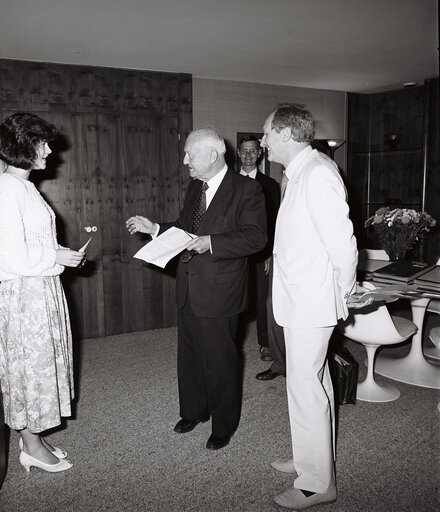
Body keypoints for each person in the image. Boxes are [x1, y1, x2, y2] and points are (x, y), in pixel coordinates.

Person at [126, 128, 267, 450]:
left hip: (221, 289)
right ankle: (194, 411)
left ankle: (223, 424)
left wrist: (212, 243)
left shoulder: (247, 189)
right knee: (189, 355)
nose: (185, 160)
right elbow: (185, 230)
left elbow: (256, 237)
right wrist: (156, 229)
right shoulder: (195, 187)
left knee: (220, 359)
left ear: (213, 155)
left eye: (191, 154)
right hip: (188, 285)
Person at [261, 103, 359, 509]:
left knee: (306, 387)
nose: (262, 140)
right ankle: (310, 460)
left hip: (311, 301)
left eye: (266, 133)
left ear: (286, 134)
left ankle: (318, 484)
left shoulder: (317, 173)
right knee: (310, 384)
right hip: (299, 297)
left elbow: (343, 243)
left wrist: (346, 292)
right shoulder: (300, 172)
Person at [0, 112, 85, 473]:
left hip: (41, 288)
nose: (49, 150)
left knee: (42, 367)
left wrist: (59, 256)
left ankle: (34, 437)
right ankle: (28, 446)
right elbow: (4, 257)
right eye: (41, 143)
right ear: (23, 146)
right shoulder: (9, 189)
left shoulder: (25, 186)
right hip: (25, 296)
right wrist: (55, 255)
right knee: (30, 370)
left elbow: (32, 241)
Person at [237, 135, 285, 381]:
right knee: (235, 296)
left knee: (264, 299)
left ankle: (265, 343)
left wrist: (269, 254)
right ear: (238, 153)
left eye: (252, 151)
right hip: (234, 250)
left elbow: (276, 221)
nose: (248, 155)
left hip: (261, 251)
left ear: (259, 155)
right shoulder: (229, 183)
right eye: (244, 151)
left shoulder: (270, 185)